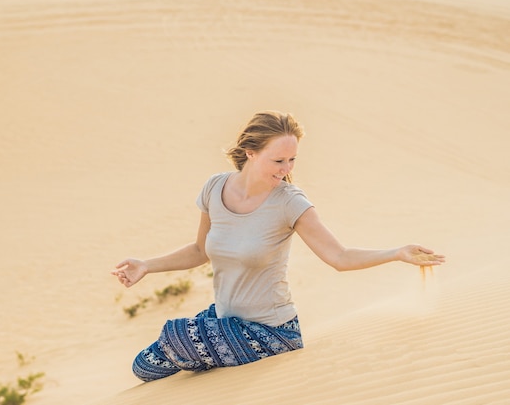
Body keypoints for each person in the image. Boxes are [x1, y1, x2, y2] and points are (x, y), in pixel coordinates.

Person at [111, 110, 445, 382]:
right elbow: (200, 251)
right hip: (224, 320)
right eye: (278, 161)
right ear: (250, 153)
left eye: (293, 160)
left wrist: (397, 253)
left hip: (271, 332)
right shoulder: (214, 188)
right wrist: (146, 264)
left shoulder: (290, 203)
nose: (287, 170)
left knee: (174, 337)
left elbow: (339, 257)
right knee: (145, 366)